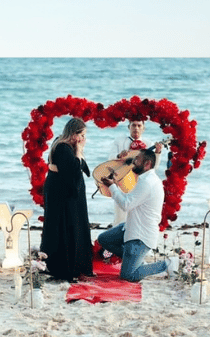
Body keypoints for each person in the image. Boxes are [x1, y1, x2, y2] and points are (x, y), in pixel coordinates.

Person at [97, 149, 177, 282]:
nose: (134, 162)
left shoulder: (147, 182)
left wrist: (112, 187)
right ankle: (136, 261)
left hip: (140, 236)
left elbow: (126, 205)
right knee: (104, 239)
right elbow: (131, 199)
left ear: (147, 164)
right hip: (130, 227)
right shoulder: (145, 179)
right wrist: (116, 185)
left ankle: (167, 264)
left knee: (128, 276)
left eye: (138, 159)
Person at [40, 118, 94, 282]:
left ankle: (79, 265)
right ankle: (66, 267)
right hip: (62, 193)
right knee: (65, 226)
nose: (83, 139)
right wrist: (79, 152)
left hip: (63, 190)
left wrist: (80, 155)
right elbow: (72, 172)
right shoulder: (63, 147)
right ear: (74, 134)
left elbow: (81, 168)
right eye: (82, 135)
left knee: (73, 224)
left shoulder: (66, 145)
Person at [108, 121, 163, 225]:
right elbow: (110, 158)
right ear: (129, 127)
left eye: (139, 126)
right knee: (120, 216)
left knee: (138, 215)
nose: (136, 128)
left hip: (140, 183)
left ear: (143, 128)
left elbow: (154, 167)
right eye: (133, 125)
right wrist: (119, 156)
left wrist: (157, 153)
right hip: (122, 181)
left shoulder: (149, 143)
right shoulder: (119, 141)